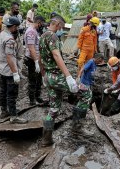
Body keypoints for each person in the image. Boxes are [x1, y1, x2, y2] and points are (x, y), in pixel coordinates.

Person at [39, 14, 78, 146]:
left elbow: (40, 57)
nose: (61, 29)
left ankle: (46, 139)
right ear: (56, 24)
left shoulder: (43, 36)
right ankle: (78, 129)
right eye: (61, 26)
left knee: (54, 108)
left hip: (49, 76)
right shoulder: (53, 36)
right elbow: (56, 55)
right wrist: (68, 76)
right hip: (57, 76)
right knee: (85, 92)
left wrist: (43, 74)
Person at [0, 16, 27, 123]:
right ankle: (13, 117)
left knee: (3, 91)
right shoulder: (9, 39)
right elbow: (10, 57)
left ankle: (4, 111)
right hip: (10, 70)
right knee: (12, 94)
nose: (18, 29)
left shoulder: (1, 35)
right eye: (17, 27)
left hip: (2, 69)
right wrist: (15, 73)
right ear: (13, 27)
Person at [74, 53, 104, 129]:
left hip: (88, 83)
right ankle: (78, 116)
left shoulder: (94, 64)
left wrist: (93, 81)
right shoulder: (91, 62)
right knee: (86, 98)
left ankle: (79, 115)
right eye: (100, 61)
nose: (100, 63)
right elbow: (83, 69)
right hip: (84, 83)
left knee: (86, 98)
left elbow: (91, 73)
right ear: (97, 58)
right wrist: (78, 78)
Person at [24, 15, 46, 105]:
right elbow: (31, 48)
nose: (42, 26)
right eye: (42, 24)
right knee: (32, 80)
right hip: (32, 59)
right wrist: (36, 62)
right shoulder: (31, 32)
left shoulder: (34, 31)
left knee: (38, 79)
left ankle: (37, 96)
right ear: (39, 22)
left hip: (36, 59)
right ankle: (32, 100)